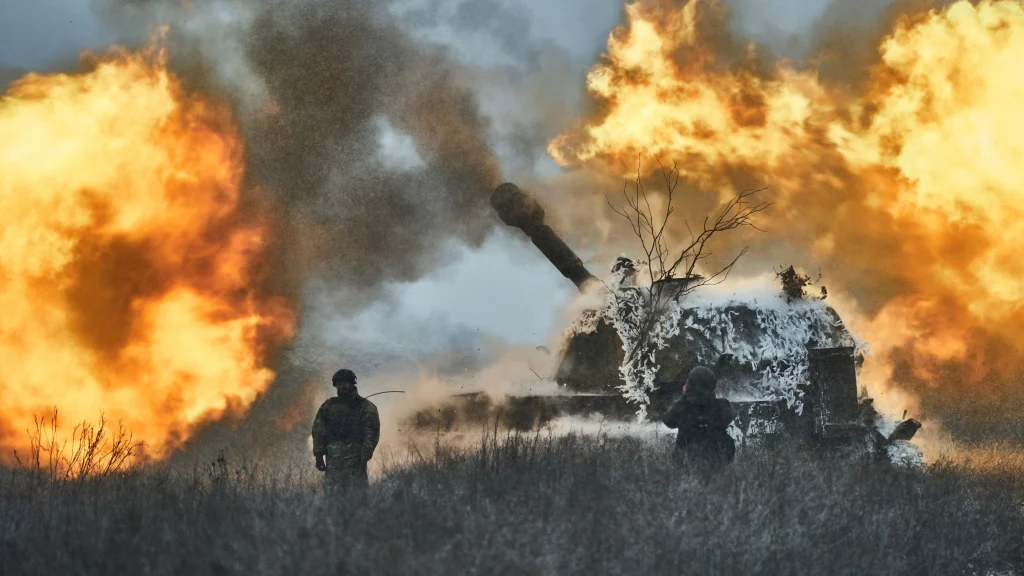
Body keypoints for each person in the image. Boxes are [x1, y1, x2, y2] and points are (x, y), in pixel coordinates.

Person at [311, 369, 380, 490]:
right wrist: (318, 454)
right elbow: (318, 430)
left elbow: (371, 434)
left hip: (355, 461)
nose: (341, 386)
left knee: (358, 497)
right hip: (333, 461)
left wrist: (364, 458)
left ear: (352, 384)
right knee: (332, 497)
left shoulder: (365, 406)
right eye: (339, 384)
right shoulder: (328, 405)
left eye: (345, 383)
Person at [662, 366, 736, 470]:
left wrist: (684, 396)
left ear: (689, 386)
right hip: (717, 459)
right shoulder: (722, 405)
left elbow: (668, 421)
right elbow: (730, 416)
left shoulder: (683, 407)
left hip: (687, 461)